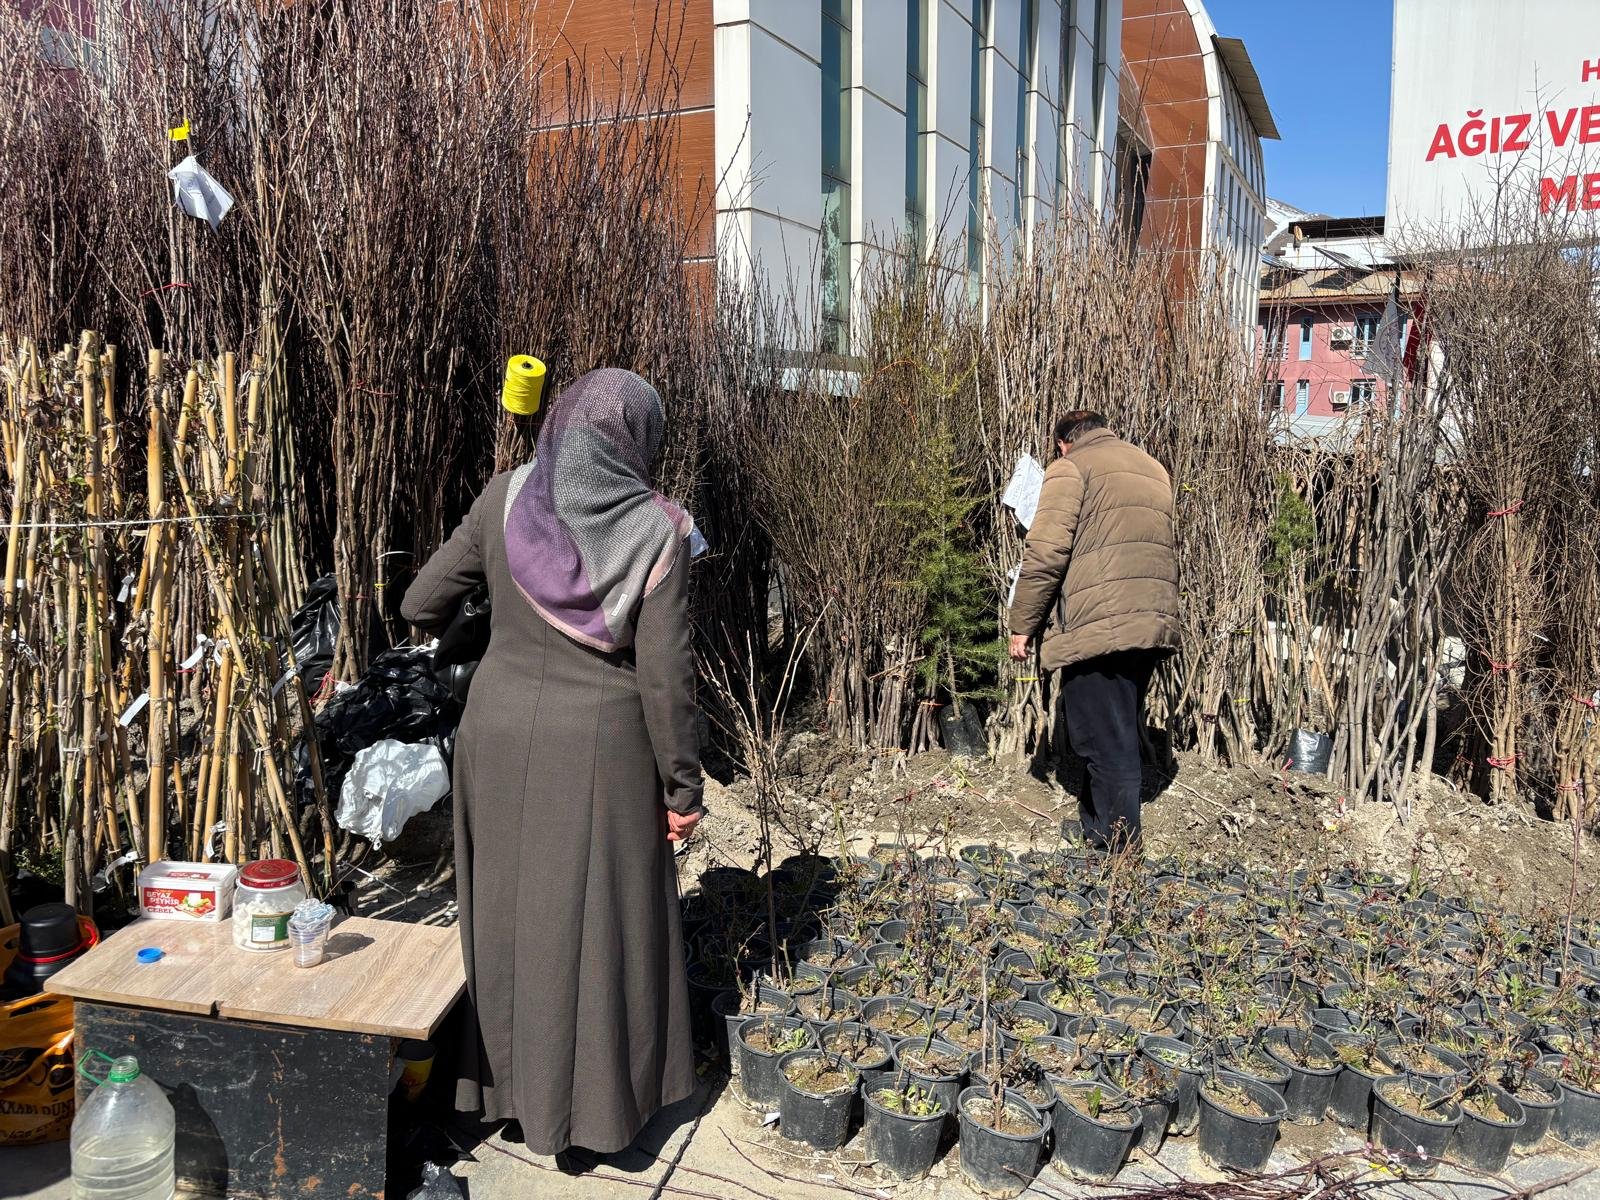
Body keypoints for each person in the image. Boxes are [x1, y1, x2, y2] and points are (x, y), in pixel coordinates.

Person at [402, 367, 703, 1161]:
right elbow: (666, 680)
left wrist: (494, 610)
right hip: (603, 753)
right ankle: (591, 1119)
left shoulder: (504, 496)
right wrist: (683, 788)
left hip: (495, 736)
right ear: (638, 440)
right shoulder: (659, 530)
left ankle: (498, 1096)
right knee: (596, 932)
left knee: (504, 919)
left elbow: (419, 603)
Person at [1006, 410, 1178, 852]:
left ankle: (1120, 850)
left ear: (1063, 442)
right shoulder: (1152, 468)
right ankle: (1098, 828)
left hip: (1099, 623)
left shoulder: (1071, 467)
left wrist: (1023, 624)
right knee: (1113, 727)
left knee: (1104, 739)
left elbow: (1046, 553)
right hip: (1150, 621)